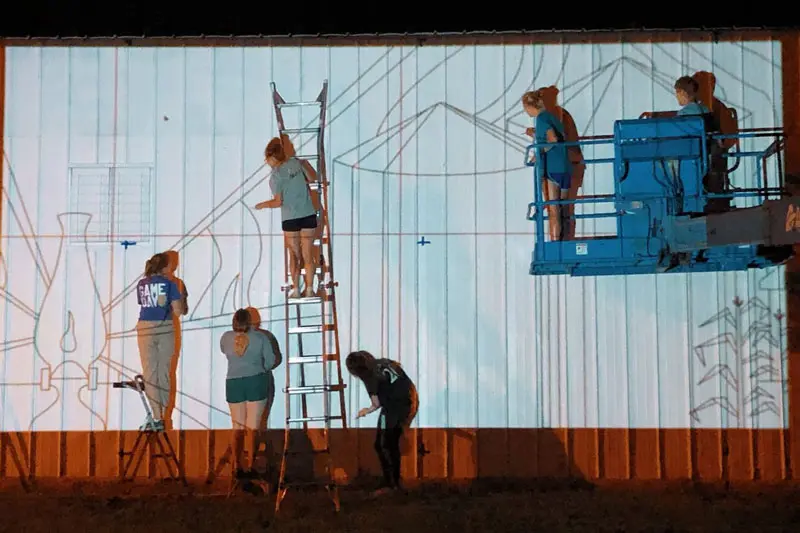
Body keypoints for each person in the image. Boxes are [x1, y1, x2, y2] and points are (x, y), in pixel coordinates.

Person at [346, 350, 418, 495]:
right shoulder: (384, 362)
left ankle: (391, 484)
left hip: (393, 407)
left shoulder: (369, 376)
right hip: (409, 402)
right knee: (390, 443)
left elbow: (376, 403)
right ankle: (395, 482)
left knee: (382, 444)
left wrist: (366, 410)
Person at [255, 137, 319, 299]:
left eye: (267, 158)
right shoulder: (297, 163)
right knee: (308, 253)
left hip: (290, 218)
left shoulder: (275, 177)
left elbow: (278, 202)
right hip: (308, 214)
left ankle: (296, 289)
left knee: (294, 255)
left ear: (272, 157)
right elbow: (313, 178)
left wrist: (262, 205)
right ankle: (310, 289)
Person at [220, 308, 277, 480]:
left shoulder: (226, 338)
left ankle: (237, 466)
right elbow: (271, 362)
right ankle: (251, 465)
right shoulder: (261, 338)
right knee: (253, 426)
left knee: (237, 426)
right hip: (256, 382)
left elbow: (224, 351)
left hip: (234, 383)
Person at [135, 252, 186, 431]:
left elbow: (144, 303)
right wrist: (180, 295)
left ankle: (156, 416)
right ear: (165, 267)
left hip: (144, 327)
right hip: (164, 327)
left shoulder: (142, 284)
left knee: (150, 372)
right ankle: (163, 417)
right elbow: (178, 311)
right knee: (164, 372)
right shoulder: (171, 284)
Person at [522, 89, 573, 240]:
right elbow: (552, 134)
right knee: (564, 207)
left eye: (525, 108)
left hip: (553, 167)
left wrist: (538, 155)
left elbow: (553, 139)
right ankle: (566, 238)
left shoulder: (541, 119)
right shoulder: (551, 116)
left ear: (530, 106)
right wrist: (534, 133)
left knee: (553, 208)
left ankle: (556, 241)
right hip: (565, 165)